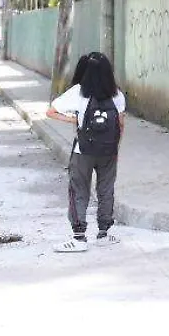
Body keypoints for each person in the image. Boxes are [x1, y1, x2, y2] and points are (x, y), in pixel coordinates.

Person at [47, 52, 126, 251]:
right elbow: (120, 123)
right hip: (109, 151)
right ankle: (103, 233)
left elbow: (51, 112)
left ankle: (79, 237)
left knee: (78, 189)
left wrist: (73, 120)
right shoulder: (117, 94)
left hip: (83, 150)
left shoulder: (78, 92)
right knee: (106, 190)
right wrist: (115, 147)